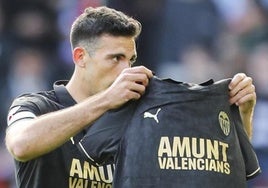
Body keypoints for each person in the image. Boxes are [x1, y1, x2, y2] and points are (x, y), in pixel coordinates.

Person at [5, 6, 256, 188]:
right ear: (80, 57)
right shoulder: (36, 105)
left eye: (131, 59)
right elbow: (20, 145)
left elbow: (218, 166)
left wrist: (242, 113)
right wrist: (105, 101)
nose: (126, 69)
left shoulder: (142, 113)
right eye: (115, 58)